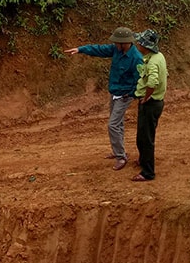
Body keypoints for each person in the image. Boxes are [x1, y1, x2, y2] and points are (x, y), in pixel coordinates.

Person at [64, 27, 143, 169]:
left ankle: (121, 157)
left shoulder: (136, 58)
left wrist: (130, 94)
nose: (115, 44)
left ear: (124, 43)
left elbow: (139, 81)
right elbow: (99, 50)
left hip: (124, 95)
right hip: (115, 92)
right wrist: (81, 49)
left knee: (112, 124)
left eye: (117, 42)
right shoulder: (116, 50)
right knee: (117, 124)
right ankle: (120, 151)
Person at [132, 30, 166, 182]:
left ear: (145, 45)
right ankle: (143, 160)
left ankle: (148, 173)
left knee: (146, 138)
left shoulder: (152, 61)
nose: (137, 43)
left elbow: (152, 82)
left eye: (140, 42)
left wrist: (146, 97)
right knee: (143, 136)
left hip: (150, 103)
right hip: (154, 102)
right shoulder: (158, 57)